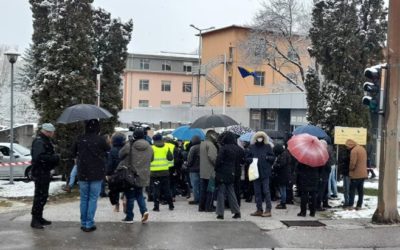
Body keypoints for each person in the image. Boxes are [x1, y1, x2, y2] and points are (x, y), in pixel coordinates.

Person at [72, 119, 110, 232]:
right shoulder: (100, 139)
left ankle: (83, 222)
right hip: (97, 173)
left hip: (82, 172)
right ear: (97, 128)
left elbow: (72, 152)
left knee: (84, 199)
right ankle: (89, 223)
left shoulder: (79, 139)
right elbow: (108, 150)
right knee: (93, 198)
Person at [118, 128, 153, 223]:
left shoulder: (129, 145)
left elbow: (120, 155)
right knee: (139, 194)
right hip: (144, 174)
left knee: (130, 196)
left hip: (131, 174)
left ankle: (129, 217)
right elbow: (152, 159)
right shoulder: (149, 146)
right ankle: (144, 211)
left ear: (134, 135)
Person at [30, 123, 60, 229]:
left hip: (44, 171)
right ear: (48, 131)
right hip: (40, 172)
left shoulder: (44, 140)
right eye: (52, 132)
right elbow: (39, 157)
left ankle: (39, 217)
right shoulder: (39, 141)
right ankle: (35, 220)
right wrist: (55, 157)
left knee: (43, 195)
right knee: (40, 196)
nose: (53, 134)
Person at [248, 131, 275, 217]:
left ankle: (268, 209)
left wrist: (267, 157)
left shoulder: (267, 146)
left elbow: (272, 157)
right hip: (255, 172)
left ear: (264, 138)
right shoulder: (252, 147)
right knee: (257, 192)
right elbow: (247, 157)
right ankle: (259, 209)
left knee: (266, 191)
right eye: (258, 137)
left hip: (265, 172)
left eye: (261, 137)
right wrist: (252, 160)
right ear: (255, 138)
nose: (260, 138)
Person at [215, 131, 241, 219]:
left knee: (221, 193)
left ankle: (220, 213)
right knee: (231, 192)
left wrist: (216, 168)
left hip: (222, 172)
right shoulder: (236, 148)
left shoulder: (224, 148)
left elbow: (218, 160)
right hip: (232, 172)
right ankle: (237, 212)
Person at [150, 134, 174, 211]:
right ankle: (171, 205)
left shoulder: (152, 148)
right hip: (164, 172)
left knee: (156, 190)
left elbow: (149, 159)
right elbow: (170, 158)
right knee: (167, 190)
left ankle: (156, 207)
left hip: (154, 173)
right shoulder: (167, 147)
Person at [345, 139, 368, 210]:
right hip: (363, 173)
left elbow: (352, 163)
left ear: (350, 145)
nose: (347, 148)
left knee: (352, 190)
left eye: (347, 146)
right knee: (360, 191)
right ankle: (359, 205)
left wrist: (350, 169)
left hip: (356, 174)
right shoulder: (362, 149)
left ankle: (350, 205)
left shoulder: (354, 151)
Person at [106, 132, 126, 212]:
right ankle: (125, 200)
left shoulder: (112, 150)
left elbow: (110, 163)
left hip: (115, 173)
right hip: (125, 172)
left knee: (115, 190)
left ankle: (117, 206)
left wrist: (108, 173)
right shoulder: (126, 149)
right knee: (126, 188)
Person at [199, 130, 218, 212]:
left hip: (203, 171)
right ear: (211, 136)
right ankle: (209, 207)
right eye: (215, 135)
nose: (216, 137)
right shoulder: (211, 145)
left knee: (203, 190)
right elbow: (213, 157)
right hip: (210, 171)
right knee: (210, 190)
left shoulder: (202, 143)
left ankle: (201, 207)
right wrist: (217, 165)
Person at [272, 144, 290, 209]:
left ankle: (283, 203)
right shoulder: (284, 153)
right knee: (283, 189)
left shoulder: (283, 155)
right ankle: (283, 202)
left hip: (283, 175)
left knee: (283, 189)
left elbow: (281, 164)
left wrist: (275, 165)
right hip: (284, 175)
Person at [187, 135, 201, 205]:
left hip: (193, 169)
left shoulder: (193, 148)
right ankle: (201, 198)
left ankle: (196, 199)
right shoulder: (202, 147)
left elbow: (190, 159)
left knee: (194, 185)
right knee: (201, 184)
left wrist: (188, 165)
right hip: (202, 169)